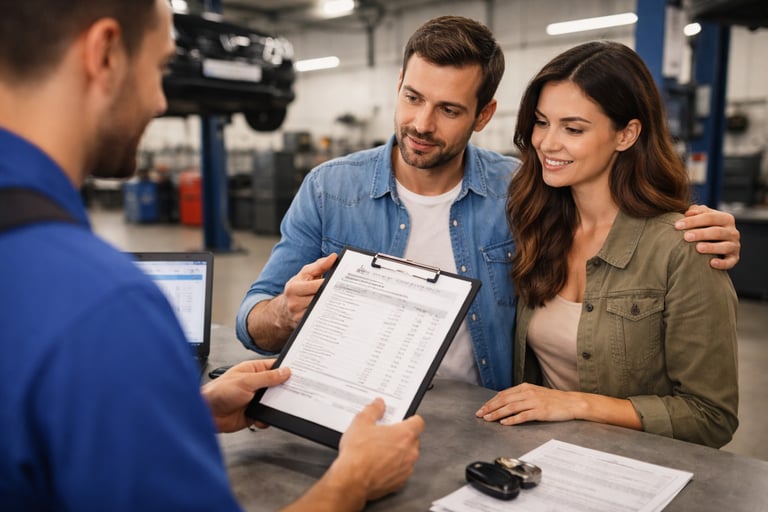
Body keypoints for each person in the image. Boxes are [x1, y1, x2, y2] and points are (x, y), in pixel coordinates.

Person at [0, 1, 423, 510]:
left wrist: (186, 413)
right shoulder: (101, 309)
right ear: (105, 54)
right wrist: (352, 481)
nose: (160, 103)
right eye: (159, 68)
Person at [236, 16, 741, 392]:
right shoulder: (328, 189)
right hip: (350, 409)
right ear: (399, 87)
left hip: (481, 423)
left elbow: (614, 212)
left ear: (484, 115)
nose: (422, 124)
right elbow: (251, 323)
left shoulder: (523, 190)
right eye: (413, 98)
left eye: (450, 109)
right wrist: (282, 311)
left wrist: (704, 230)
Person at [475, 41, 738, 448]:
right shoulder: (534, 226)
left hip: (637, 472)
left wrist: (576, 404)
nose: (547, 143)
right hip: (543, 458)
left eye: (573, 129)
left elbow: (711, 417)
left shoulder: (682, 248)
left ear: (627, 134)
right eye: (542, 122)